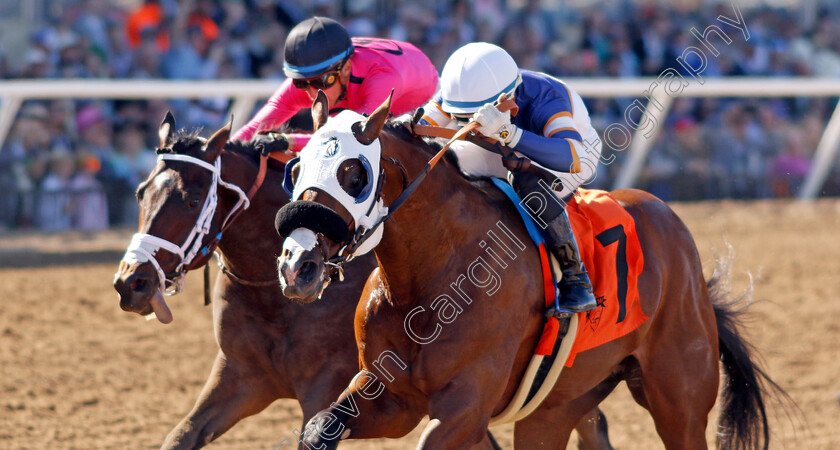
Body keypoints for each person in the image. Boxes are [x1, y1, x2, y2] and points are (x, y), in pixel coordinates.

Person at [419, 42, 601, 314]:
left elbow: (572, 156)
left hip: (569, 153)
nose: (470, 123)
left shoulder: (545, 97)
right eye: (464, 118)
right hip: (501, 143)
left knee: (527, 184)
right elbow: (421, 128)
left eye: (475, 117)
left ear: (507, 99)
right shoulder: (462, 89)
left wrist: (510, 135)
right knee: (445, 163)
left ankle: (576, 279)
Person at [232, 16, 438, 153]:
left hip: (421, 101)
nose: (312, 92)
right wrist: (222, 149)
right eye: (301, 83)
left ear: (346, 69)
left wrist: (287, 141)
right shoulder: (312, 76)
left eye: (321, 81)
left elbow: (355, 136)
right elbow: (252, 130)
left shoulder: (382, 78)